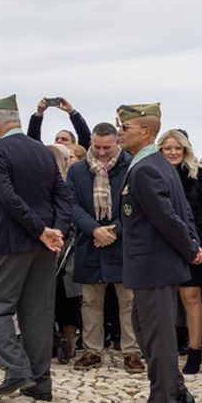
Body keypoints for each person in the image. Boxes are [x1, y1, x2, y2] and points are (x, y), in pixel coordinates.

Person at [0, 96, 71, 401]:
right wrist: (56, 230)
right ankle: (41, 383)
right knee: (37, 313)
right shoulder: (42, 150)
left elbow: (7, 197)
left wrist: (42, 230)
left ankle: (17, 369)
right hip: (43, 244)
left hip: (8, 241)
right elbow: (62, 194)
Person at [115, 103, 202, 403]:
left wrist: (190, 245)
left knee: (157, 336)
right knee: (145, 327)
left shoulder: (147, 168)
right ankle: (177, 390)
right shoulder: (156, 164)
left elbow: (168, 217)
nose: (121, 133)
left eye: (127, 128)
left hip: (153, 265)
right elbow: (182, 213)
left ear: (146, 131)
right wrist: (191, 243)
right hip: (156, 265)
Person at [67, 123, 139, 371]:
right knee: (90, 301)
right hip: (91, 242)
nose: (100, 152)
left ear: (117, 142)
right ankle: (91, 350)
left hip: (123, 242)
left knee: (128, 300)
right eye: (96, 147)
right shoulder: (77, 170)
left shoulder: (132, 166)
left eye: (106, 147)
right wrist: (94, 229)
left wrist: (114, 230)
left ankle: (132, 351)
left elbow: (138, 205)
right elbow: (71, 205)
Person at [157, 129, 202, 375]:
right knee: (162, 300)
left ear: (186, 149)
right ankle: (163, 350)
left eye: (178, 148)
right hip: (159, 246)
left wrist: (199, 237)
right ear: (161, 149)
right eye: (168, 148)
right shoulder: (152, 174)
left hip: (190, 246)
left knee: (192, 298)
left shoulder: (199, 175)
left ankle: (195, 352)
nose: (173, 152)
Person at [28, 97, 92, 149]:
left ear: (73, 145)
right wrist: (39, 113)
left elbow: (85, 138)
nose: (59, 141)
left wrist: (71, 111)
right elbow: (33, 141)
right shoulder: (47, 158)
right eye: (57, 139)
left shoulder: (78, 159)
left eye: (64, 139)